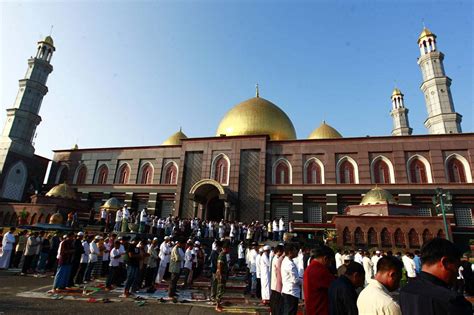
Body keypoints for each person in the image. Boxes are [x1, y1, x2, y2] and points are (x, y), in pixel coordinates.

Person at [400, 238, 471, 315]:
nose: (457, 273)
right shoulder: (452, 300)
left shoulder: (406, 290)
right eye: (457, 266)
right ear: (445, 263)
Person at [304, 245, 336, 315]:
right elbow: (336, 286)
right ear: (325, 258)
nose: (330, 264)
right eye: (330, 261)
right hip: (320, 310)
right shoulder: (319, 270)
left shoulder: (311, 267)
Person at [281, 243, 300, 315]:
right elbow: (295, 280)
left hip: (290, 291)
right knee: (290, 312)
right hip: (291, 292)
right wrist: (303, 280)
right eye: (295, 250)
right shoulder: (289, 264)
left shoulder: (289, 261)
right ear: (290, 252)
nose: (296, 252)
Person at [215, 242, 230, 312]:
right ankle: (217, 305)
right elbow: (219, 265)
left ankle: (219, 304)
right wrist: (220, 274)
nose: (229, 250)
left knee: (222, 289)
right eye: (228, 248)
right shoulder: (222, 255)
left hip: (223, 274)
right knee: (220, 290)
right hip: (221, 274)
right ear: (225, 248)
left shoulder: (224, 254)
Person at [270, 244, 284, 315]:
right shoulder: (276, 259)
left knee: (274, 300)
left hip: (274, 283)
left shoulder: (274, 258)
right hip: (276, 283)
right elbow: (277, 272)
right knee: (276, 301)